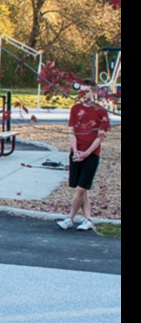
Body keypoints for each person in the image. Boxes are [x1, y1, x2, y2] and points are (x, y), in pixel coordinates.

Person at [58, 81, 110, 231]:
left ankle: (70, 218)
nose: (83, 95)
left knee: (81, 188)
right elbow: (71, 131)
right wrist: (75, 150)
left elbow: (101, 136)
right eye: (81, 92)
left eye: (86, 91)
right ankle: (88, 219)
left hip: (92, 154)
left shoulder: (101, 112)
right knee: (83, 187)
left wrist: (86, 153)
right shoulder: (75, 109)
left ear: (94, 91)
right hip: (76, 152)